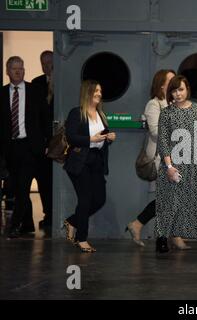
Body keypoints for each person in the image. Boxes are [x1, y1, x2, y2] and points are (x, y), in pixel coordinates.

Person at [155, 75, 197, 254]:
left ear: (187, 89)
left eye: (181, 89)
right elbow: (163, 142)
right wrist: (169, 167)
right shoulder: (166, 113)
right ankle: (162, 239)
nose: (177, 94)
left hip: (196, 164)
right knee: (169, 202)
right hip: (173, 164)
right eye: (174, 91)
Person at [125, 69, 189, 250]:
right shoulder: (154, 105)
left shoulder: (176, 104)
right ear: (162, 85)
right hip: (161, 159)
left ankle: (140, 225)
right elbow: (155, 131)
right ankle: (145, 226)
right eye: (171, 81)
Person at [62, 80, 116, 252]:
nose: (99, 94)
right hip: (80, 161)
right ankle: (81, 238)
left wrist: (109, 138)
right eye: (95, 91)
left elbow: (102, 138)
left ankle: (72, 221)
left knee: (99, 199)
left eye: (100, 91)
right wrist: (91, 139)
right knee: (85, 199)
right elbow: (71, 137)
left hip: (96, 161)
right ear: (87, 93)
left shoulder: (101, 114)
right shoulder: (76, 113)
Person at [0, 56, 49, 238]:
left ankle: (14, 226)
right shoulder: (2, 93)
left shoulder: (34, 90)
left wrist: (45, 143)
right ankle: (27, 223)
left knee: (23, 186)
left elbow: (45, 118)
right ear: (7, 71)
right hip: (9, 148)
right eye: (14, 69)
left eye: (21, 68)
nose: (18, 71)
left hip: (29, 147)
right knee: (15, 187)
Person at [32, 50, 54, 231]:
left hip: (59, 137)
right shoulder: (36, 83)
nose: (47, 66)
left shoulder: (64, 80)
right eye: (44, 63)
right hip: (42, 139)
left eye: (50, 63)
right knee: (43, 179)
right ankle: (48, 213)